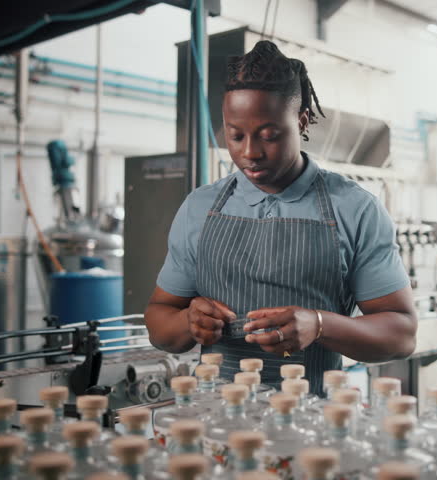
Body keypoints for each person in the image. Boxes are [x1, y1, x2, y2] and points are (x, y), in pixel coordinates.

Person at [144, 41, 417, 395]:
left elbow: (402, 334)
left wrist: (321, 325)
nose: (250, 153)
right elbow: (159, 321)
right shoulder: (200, 207)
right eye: (235, 135)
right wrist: (187, 322)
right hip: (215, 417)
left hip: (311, 423)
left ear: (301, 121)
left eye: (269, 136)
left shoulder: (354, 209)